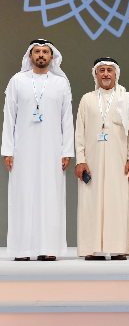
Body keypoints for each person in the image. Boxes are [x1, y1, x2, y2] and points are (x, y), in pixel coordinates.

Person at [1, 39, 74, 261]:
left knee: (49, 197)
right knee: (22, 196)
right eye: (37, 52)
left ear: (52, 57)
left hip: (52, 150)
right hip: (22, 149)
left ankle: (48, 249)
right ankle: (21, 250)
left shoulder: (61, 83)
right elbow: (9, 117)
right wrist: (8, 150)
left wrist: (66, 151)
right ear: (30, 56)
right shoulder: (17, 81)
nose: (41, 55)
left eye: (45, 52)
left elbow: (66, 119)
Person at [75, 57, 129, 260]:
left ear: (116, 74)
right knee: (90, 202)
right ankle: (93, 249)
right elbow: (79, 133)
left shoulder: (126, 99)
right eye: (101, 70)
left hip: (118, 161)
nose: (105, 74)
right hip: (91, 160)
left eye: (109, 70)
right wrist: (80, 160)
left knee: (117, 202)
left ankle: (118, 248)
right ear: (95, 74)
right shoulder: (86, 99)